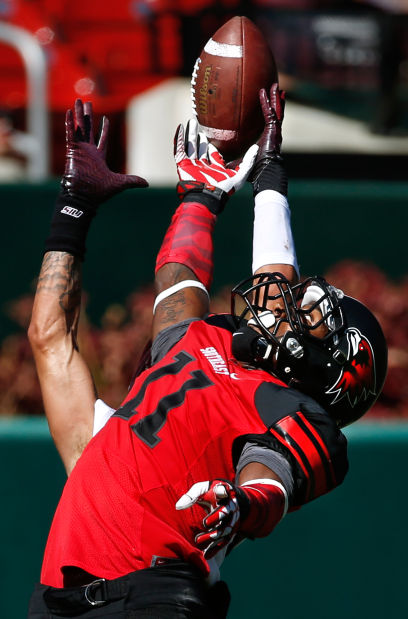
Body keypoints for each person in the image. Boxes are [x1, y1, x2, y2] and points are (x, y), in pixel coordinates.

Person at [28, 87, 387, 618]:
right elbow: (172, 283)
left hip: (155, 597)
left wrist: (241, 504)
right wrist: (214, 192)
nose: (285, 309)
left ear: (332, 371)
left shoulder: (296, 412)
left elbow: (270, 485)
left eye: (308, 321)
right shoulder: (200, 346)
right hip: (59, 602)